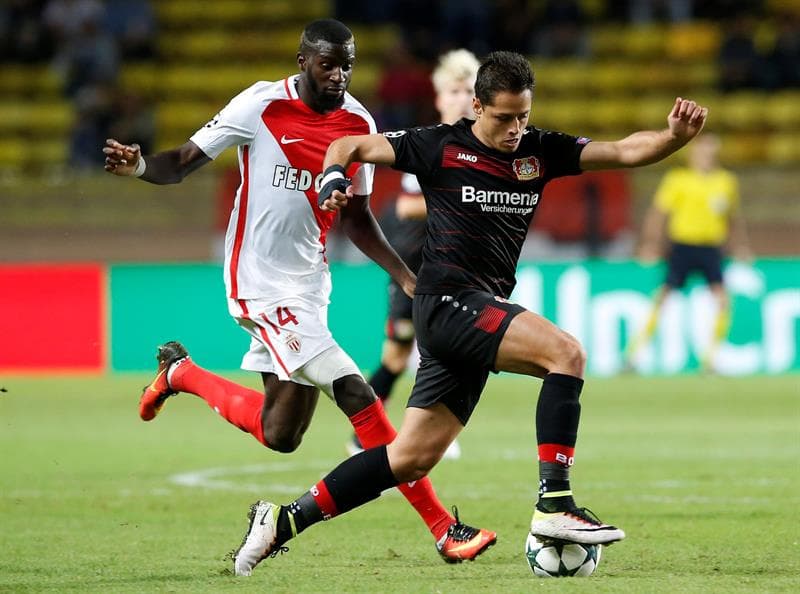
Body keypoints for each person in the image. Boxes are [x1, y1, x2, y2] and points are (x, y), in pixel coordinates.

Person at [230, 51, 709, 576]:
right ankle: (555, 505)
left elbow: (621, 151)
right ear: (477, 105)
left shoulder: (539, 151)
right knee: (565, 353)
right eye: (504, 117)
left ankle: (279, 521)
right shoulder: (437, 145)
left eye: (523, 116)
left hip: (469, 313)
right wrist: (331, 177)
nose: (514, 129)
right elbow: (348, 145)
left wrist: (672, 139)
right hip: (446, 301)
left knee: (409, 458)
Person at [102, 18, 495, 571]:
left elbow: (358, 218)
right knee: (357, 393)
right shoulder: (261, 106)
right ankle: (443, 527)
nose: (338, 74)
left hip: (310, 283)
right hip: (258, 281)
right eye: (328, 63)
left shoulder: (357, 121)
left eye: (348, 64)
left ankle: (181, 374)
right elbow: (184, 162)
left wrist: (406, 276)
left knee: (281, 432)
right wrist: (140, 165)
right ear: (302, 59)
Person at [347, 48, 481, 461]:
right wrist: (467, 196)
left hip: (453, 269)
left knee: (430, 350)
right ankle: (372, 432)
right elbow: (407, 206)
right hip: (413, 266)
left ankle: (421, 433)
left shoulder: (484, 149)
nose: (462, 98)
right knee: (403, 351)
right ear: (440, 99)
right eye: (455, 90)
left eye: (470, 90)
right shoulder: (430, 146)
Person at [625, 132, 750, 372]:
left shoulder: (726, 181)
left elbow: (733, 218)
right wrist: (650, 243)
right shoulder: (678, 179)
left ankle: (710, 360)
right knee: (662, 299)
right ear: (693, 154)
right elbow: (659, 214)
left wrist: (740, 246)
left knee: (723, 301)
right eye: (703, 151)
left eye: (711, 152)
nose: (707, 156)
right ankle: (633, 355)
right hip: (683, 246)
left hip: (712, 248)